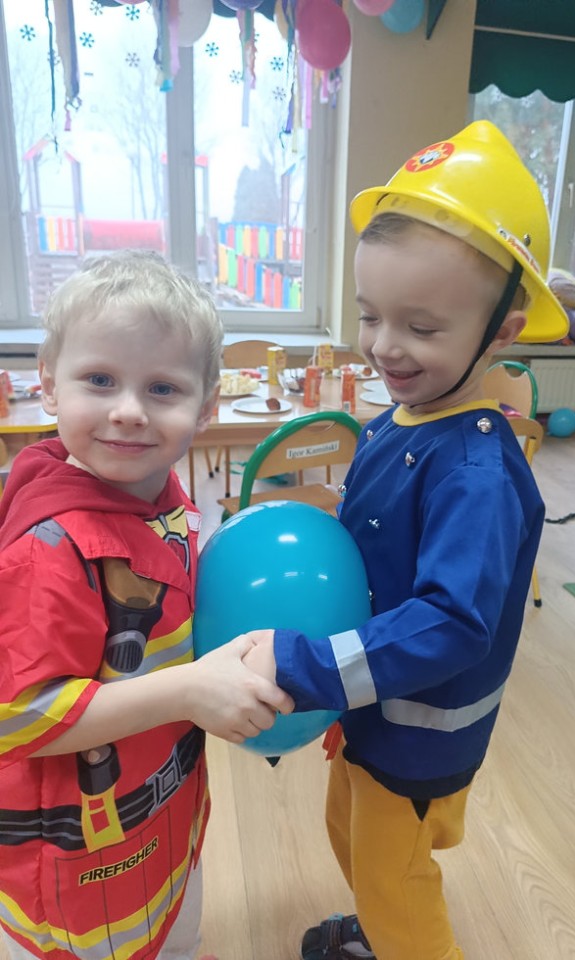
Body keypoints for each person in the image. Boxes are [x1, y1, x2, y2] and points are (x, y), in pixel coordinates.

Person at [240, 121, 569, 960]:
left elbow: (453, 623)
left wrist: (312, 666)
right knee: (348, 831)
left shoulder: (478, 474)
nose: (385, 346)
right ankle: (381, 933)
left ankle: (406, 943)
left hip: (420, 731)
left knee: (395, 876)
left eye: (421, 327)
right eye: (370, 315)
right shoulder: (400, 419)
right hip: (368, 705)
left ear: (502, 331)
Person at [0, 250, 293, 960]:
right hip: (77, 854)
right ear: (50, 384)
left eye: (162, 388)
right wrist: (191, 689)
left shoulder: (161, 495)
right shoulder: (49, 548)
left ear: (206, 406)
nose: (129, 411)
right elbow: (19, 715)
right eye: (100, 380)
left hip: (156, 805)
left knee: (173, 925)